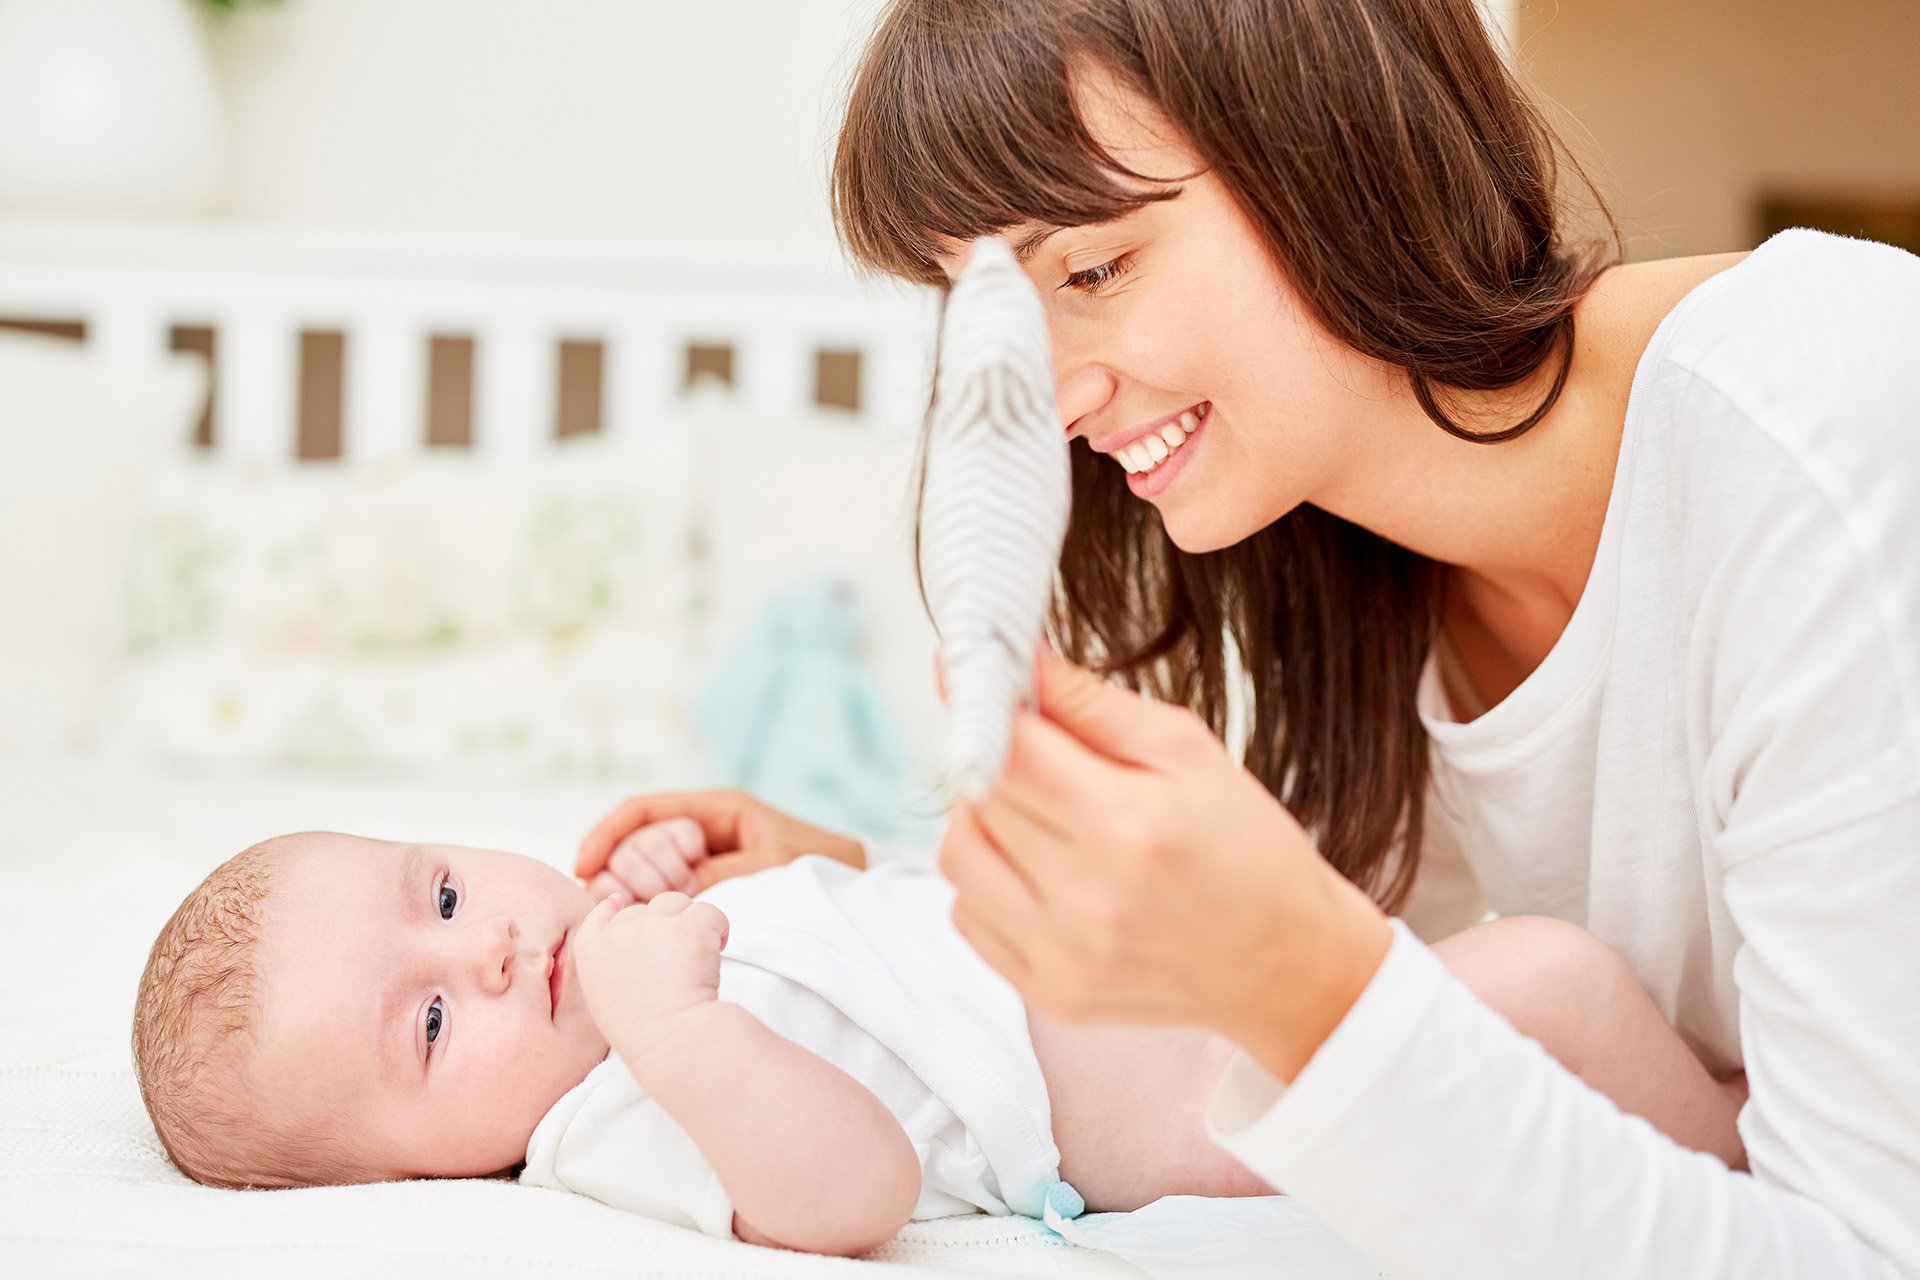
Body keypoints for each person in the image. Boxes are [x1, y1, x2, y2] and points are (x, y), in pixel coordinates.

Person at [582, 1, 1920, 1275]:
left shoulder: (1819, 412)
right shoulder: (1368, 564)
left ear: (1332, 141)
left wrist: (1303, 986)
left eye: (1092, 269)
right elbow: (1413, 1063)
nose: (1048, 400)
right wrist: (880, 913)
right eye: (988, 310)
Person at [133, 826, 1740, 1259]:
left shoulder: (608, 953)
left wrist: (712, 883)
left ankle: (1738, 1111)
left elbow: (857, 939)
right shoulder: (604, 1120)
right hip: (1183, 1091)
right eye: (430, 1022)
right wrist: (674, 1023)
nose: (484, 944)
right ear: (416, 1173)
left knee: (1566, 982)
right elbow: (854, 1192)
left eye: (439, 892)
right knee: (1552, 982)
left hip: (1176, 970)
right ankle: (1763, 1178)